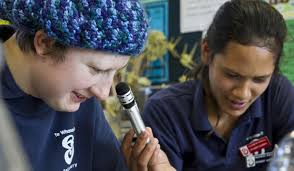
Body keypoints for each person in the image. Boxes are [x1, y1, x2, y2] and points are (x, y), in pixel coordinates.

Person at [123, 0, 294, 170]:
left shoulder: (277, 93)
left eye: (259, 80)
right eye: (232, 75)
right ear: (206, 51)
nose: (242, 93)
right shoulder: (166, 111)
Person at [0, 0, 149, 171]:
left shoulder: (79, 97)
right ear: (45, 42)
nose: (103, 93)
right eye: (96, 69)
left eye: (115, 72)